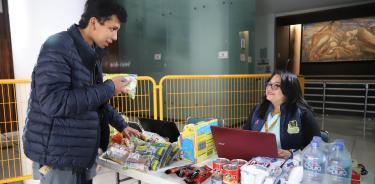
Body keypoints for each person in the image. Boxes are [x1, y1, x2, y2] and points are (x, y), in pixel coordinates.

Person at [22, 0, 140, 183]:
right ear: (93, 22)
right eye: (112, 28)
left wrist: (121, 125)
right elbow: (55, 103)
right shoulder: (58, 46)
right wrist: (109, 88)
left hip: (81, 153)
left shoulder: (92, 52)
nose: (115, 37)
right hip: (58, 157)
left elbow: (94, 100)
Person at [243, 70, 320, 159]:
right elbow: (245, 137)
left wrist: (292, 154)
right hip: (256, 165)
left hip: (288, 167)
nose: (269, 88)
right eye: (269, 84)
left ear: (289, 90)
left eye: (276, 85)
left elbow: (317, 147)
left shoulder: (302, 113)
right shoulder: (258, 110)